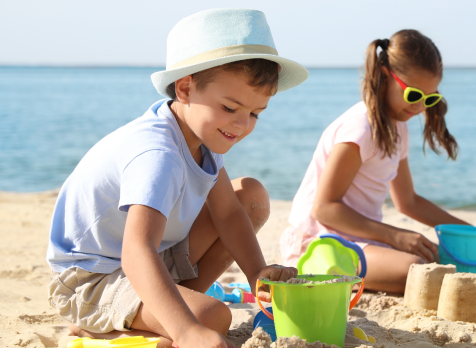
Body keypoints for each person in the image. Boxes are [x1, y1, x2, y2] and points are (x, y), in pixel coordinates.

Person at [45, 9, 307, 348]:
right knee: (212, 318)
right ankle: (110, 325)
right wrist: (187, 332)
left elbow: (228, 214)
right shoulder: (158, 155)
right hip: (91, 279)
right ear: (185, 89)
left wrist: (256, 272)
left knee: (249, 197)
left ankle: (167, 312)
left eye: (255, 113)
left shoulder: (204, 136)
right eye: (230, 108)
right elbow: (137, 251)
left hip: (148, 262)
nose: (242, 125)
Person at [280, 30, 476, 294]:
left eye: (429, 98)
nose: (419, 107)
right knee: (418, 268)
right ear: (383, 75)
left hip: (361, 240)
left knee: (437, 260)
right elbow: (323, 209)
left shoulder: (397, 128)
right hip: (320, 244)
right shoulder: (360, 129)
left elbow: (408, 201)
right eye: (413, 95)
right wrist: (396, 236)